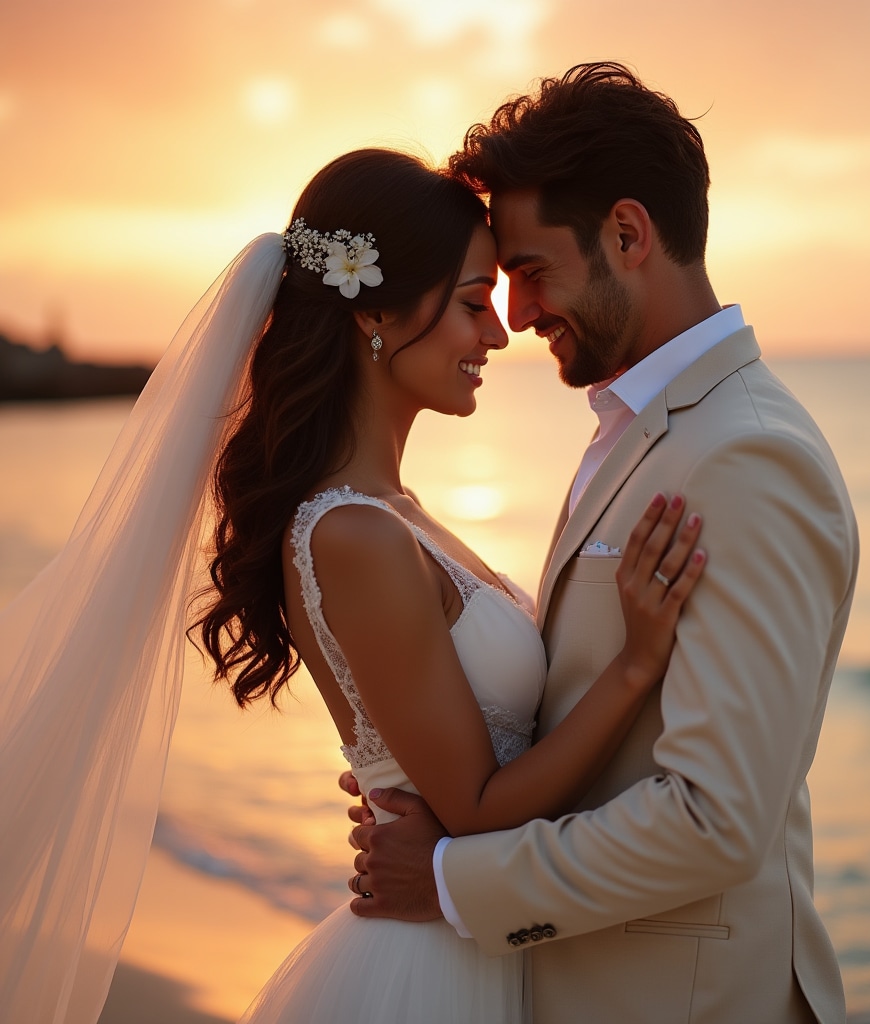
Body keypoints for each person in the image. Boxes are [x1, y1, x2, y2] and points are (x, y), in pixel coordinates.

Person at [0, 147, 705, 1024]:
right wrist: (636, 665)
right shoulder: (355, 533)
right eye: (470, 303)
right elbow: (479, 809)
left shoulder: (394, 512)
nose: (497, 334)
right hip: (430, 970)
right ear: (374, 313)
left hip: (474, 939)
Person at [347, 63, 859, 1024]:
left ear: (628, 235)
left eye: (532, 272)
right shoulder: (640, 426)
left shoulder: (747, 457)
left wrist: (458, 880)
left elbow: (717, 820)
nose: (519, 314)